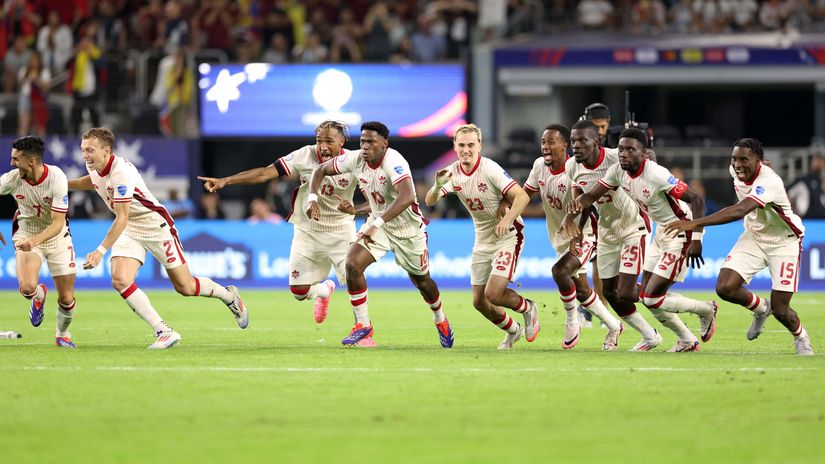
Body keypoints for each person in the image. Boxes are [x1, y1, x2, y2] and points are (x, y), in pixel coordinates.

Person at [69, 128, 248, 349]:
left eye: (90, 150)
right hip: (129, 228)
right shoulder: (94, 165)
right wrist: (65, 184)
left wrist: (100, 251)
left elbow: (122, 217)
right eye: (83, 149)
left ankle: (229, 296)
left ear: (106, 151)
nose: (85, 155)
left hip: (156, 226)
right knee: (120, 280)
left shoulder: (121, 172)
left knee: (186, 287)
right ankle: (164, 331)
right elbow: (94, 181)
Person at [307, 121, 454, 348]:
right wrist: (313, 199)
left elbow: (406, 196)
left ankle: (440, 319)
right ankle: (363, 324)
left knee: (422, 281)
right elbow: (320, 170)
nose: (365, 146)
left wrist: (378, 221)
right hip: (379, 226)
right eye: (363, 141)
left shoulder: (394, 160)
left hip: (407, 230)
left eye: (371, 142)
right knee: (352, 264)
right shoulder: (356, 159)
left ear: (384, 144)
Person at [570, 128, 718, 352]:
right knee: (642, 294)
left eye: (630, 149)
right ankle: (686, 340)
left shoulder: (656, 174)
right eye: (621, 149)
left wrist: (696, 236)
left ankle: (706, 309)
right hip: (661, 233)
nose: (623, 154)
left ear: (643, 153)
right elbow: (591, 196)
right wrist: (575, 206)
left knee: (650, 297)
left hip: (682, 231)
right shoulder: (618, 171)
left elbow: (696, 198)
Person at [664, 138, 814, 355]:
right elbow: (744, 195)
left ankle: (801, 336)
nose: (737, 164)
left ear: (758, 161)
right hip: (754, 235)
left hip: (784, 242)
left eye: (744, 159)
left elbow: (739, 210)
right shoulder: (737, 171)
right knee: (725, 287)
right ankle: (761, 308)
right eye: (734, 159)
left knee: (781, 309)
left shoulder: (769, 181)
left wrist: (694, 223)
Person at [199, 121, 357, 325]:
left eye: (329, 141)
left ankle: (362, 328)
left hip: (341, 229)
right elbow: (265, 173)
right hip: (307, 229)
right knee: (299, 291)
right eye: (319, 140)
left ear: (342, 141)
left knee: (355, 281)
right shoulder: (304, 155)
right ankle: (325, 291)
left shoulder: (354, 160)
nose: (323, 146)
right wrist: (226, 181)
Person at [424, 123, 538, 350]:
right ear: (455, 147)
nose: (466, 149)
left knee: (494, 293)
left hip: (508, 235)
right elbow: (429, 201)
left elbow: (522, 197)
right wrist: (437, 186)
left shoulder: (490, 168)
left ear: (480, 146)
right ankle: (512, 330)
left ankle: (528, 307)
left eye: (471, 145)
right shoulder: (452, 172)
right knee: (479, 301)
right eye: (461, 145)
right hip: (483, 238)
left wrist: (506, 220)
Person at [521, 124, 624, 350]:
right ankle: (614, 325)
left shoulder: (575, 169)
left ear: (565, 145)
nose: (545, 147)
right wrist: (507, 208)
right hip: (560, 237)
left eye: (551, 142)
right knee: (582, 290)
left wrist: (575, 227)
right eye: (543, 142)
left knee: (559, 271)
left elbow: (586, 202)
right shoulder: (539, 166)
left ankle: (571, 321)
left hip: (584, 232)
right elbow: (525, 194)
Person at [561, 120, 661, 351]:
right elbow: (583, 200)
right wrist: (576, 228)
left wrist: (648, 166)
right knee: (609, 292)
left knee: (627, 292)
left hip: (633, 226)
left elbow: (650, 156)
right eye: (573, 141)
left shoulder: (616, 157)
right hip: (606, 231)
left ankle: (669, 300)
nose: (575, 145)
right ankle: (649, 335)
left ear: (596, 141)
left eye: (582, 140)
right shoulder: (572, 167)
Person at [0, 136, 78, 348]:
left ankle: (62, 334)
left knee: (67, 299)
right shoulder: (12, 179)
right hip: (26, 232)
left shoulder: (57, 179)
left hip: (57, 237)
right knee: (27, 287)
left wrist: (35, 241)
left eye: (15, 159)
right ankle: (39, 294)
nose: (11, 163)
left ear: (31, 161)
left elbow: (57, 223)